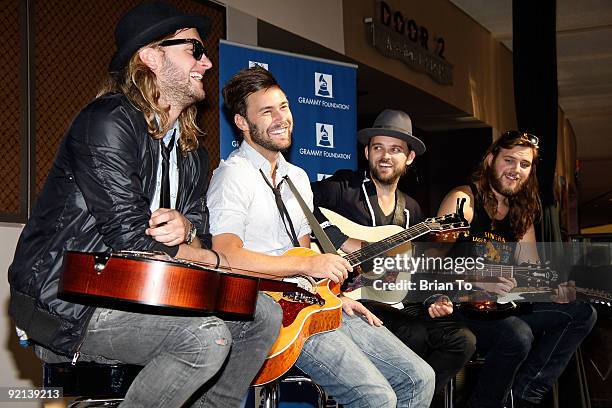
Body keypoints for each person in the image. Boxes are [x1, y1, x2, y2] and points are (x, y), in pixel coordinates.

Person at [8, 3, 281, 407]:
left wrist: (186, 229)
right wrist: (214, 261)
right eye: (194, 50)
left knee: (263, 315)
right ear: (151, 56)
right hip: (71, 299)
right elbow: (129, 239)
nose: (206, 63)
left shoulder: (190, 150)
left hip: (151, 290)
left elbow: (201, 233)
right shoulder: (106, 121)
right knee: (204, 337)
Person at [207, 66, 435, 408]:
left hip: (313, 302)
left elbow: (301, 255)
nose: (281, 118)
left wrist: (333, 297)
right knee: (376, 398)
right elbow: (226, 256)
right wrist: (313, 263)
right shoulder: (232, 177)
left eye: (283, 106)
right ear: (242, 123)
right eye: (266, 111)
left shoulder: (297, 177)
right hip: (272, 312)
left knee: (419, 377)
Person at [312, 109, 476, 401]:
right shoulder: (342, 188)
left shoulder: (411, 209)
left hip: (393, 301)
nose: (385, 156)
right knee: (412, 332)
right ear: (367, 152)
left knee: (461, 340)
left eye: (395, 150)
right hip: (351, 299)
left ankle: (412, 398)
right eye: (378, 148)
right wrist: (344, 241)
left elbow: (410, 272)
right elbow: (300, 206)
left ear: (409, 158)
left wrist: (432, 299)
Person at [437, 130, 597, 408]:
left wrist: (552, 289)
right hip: (460, 308)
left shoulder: (521, 211)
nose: (516, 170)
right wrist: (479, 278)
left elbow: (530, 272)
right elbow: (429, 264)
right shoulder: (464, 200)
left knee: (582, 313)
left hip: (503, 308)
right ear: (490, 160)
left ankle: (526, 394)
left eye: (524, 164)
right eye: (509, 161)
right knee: (518, 334)